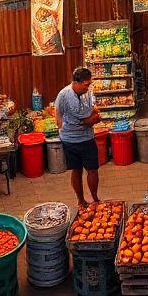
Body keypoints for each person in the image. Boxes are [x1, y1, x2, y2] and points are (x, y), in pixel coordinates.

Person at [56, 66, 102, 207]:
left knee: (92, 169)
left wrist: (89, 120)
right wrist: (86, 121)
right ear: (77, 82)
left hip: (87, 138)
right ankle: (81, 200)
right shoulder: (63, 95)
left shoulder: (87, 93)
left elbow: (95, 111)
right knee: (76, 170)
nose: (88, 87)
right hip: (70, 140)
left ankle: (95, 199)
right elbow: (58, 118)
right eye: (86, 84)